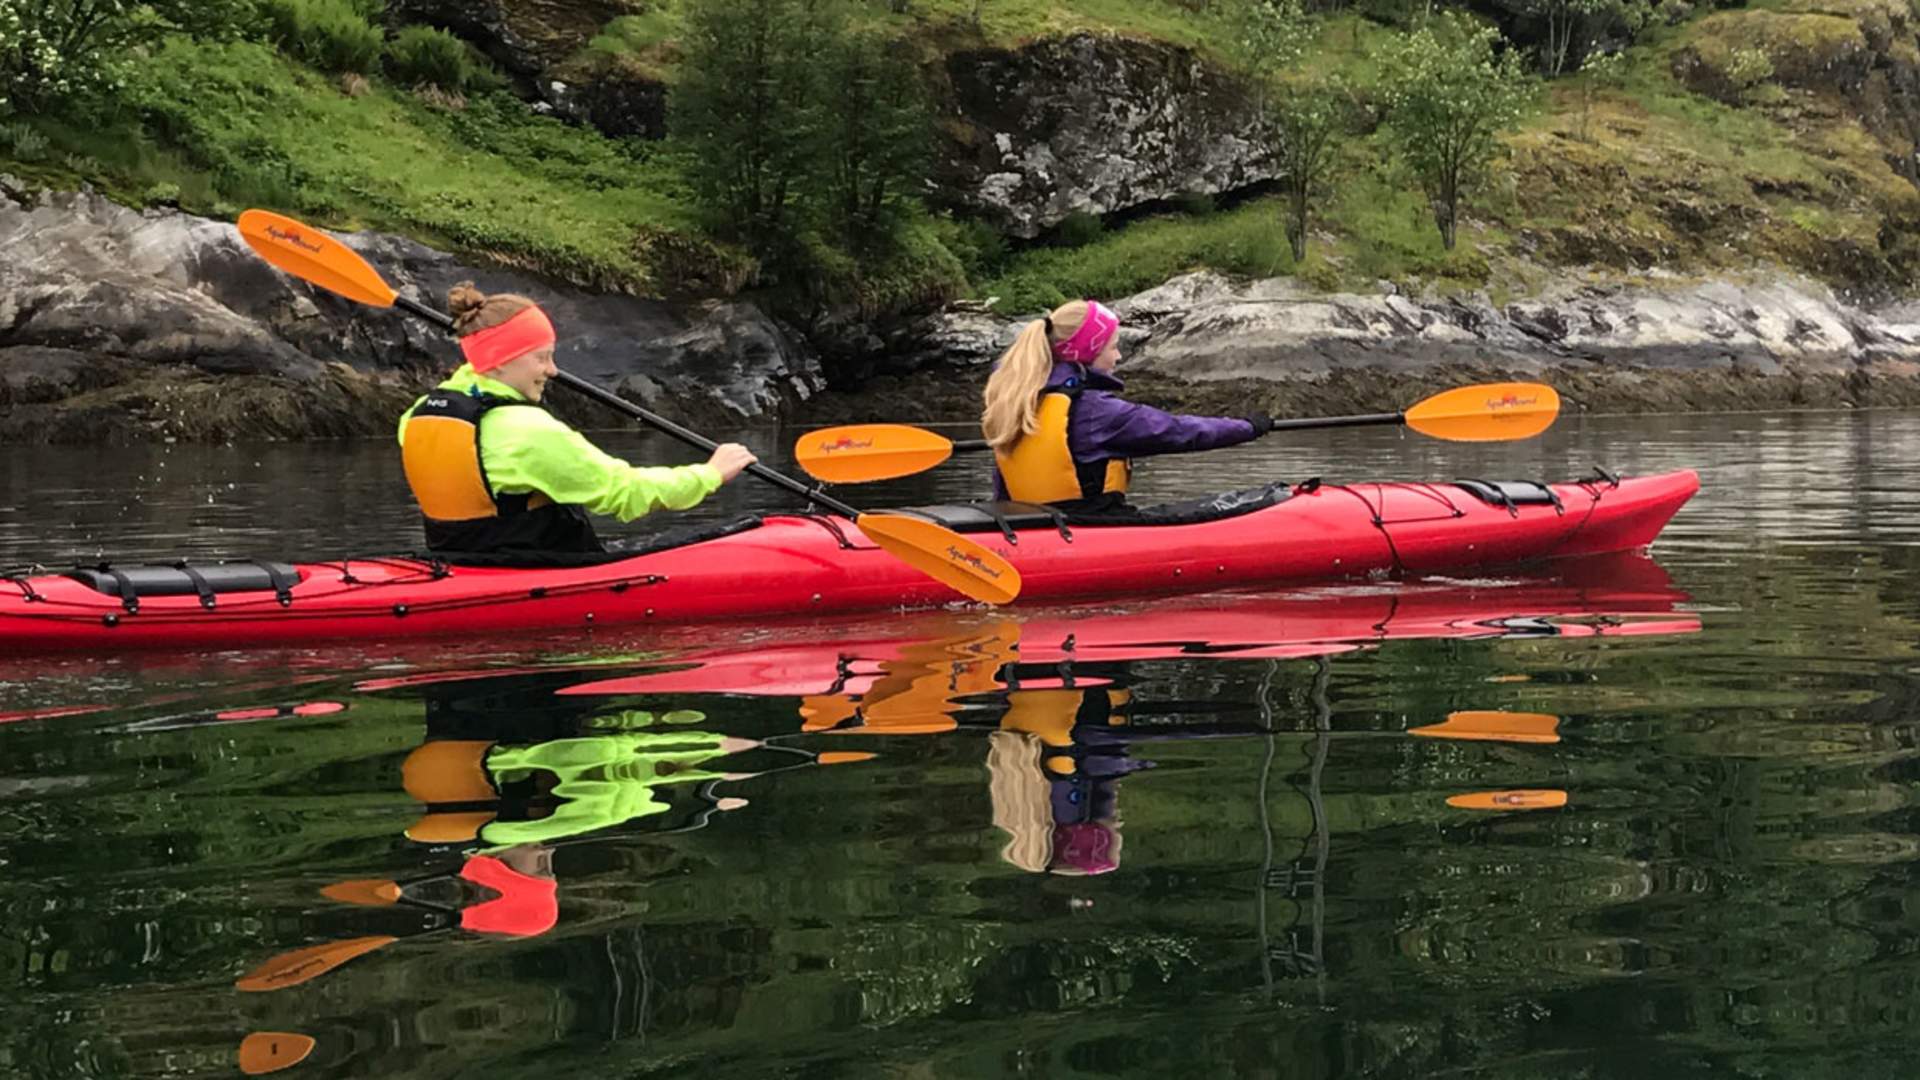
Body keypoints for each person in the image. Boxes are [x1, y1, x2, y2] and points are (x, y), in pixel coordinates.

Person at [397, 282, 758, 555]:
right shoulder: (527, 433)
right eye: (542, 358)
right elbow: (625, 493)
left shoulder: (418, 414)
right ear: (501, 360)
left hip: (457, 565)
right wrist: (709, 475)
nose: (552, 371)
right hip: (532, 573)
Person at [981, 299, 1272, 512]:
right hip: (1090, 526)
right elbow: (1178, 431)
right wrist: (1248, 427)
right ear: (1087, 353)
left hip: (1034, 529)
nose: (1118, 356)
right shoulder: (1098, 413)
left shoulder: (1017, 404)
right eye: (1112, 347)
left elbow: (1002, 489)